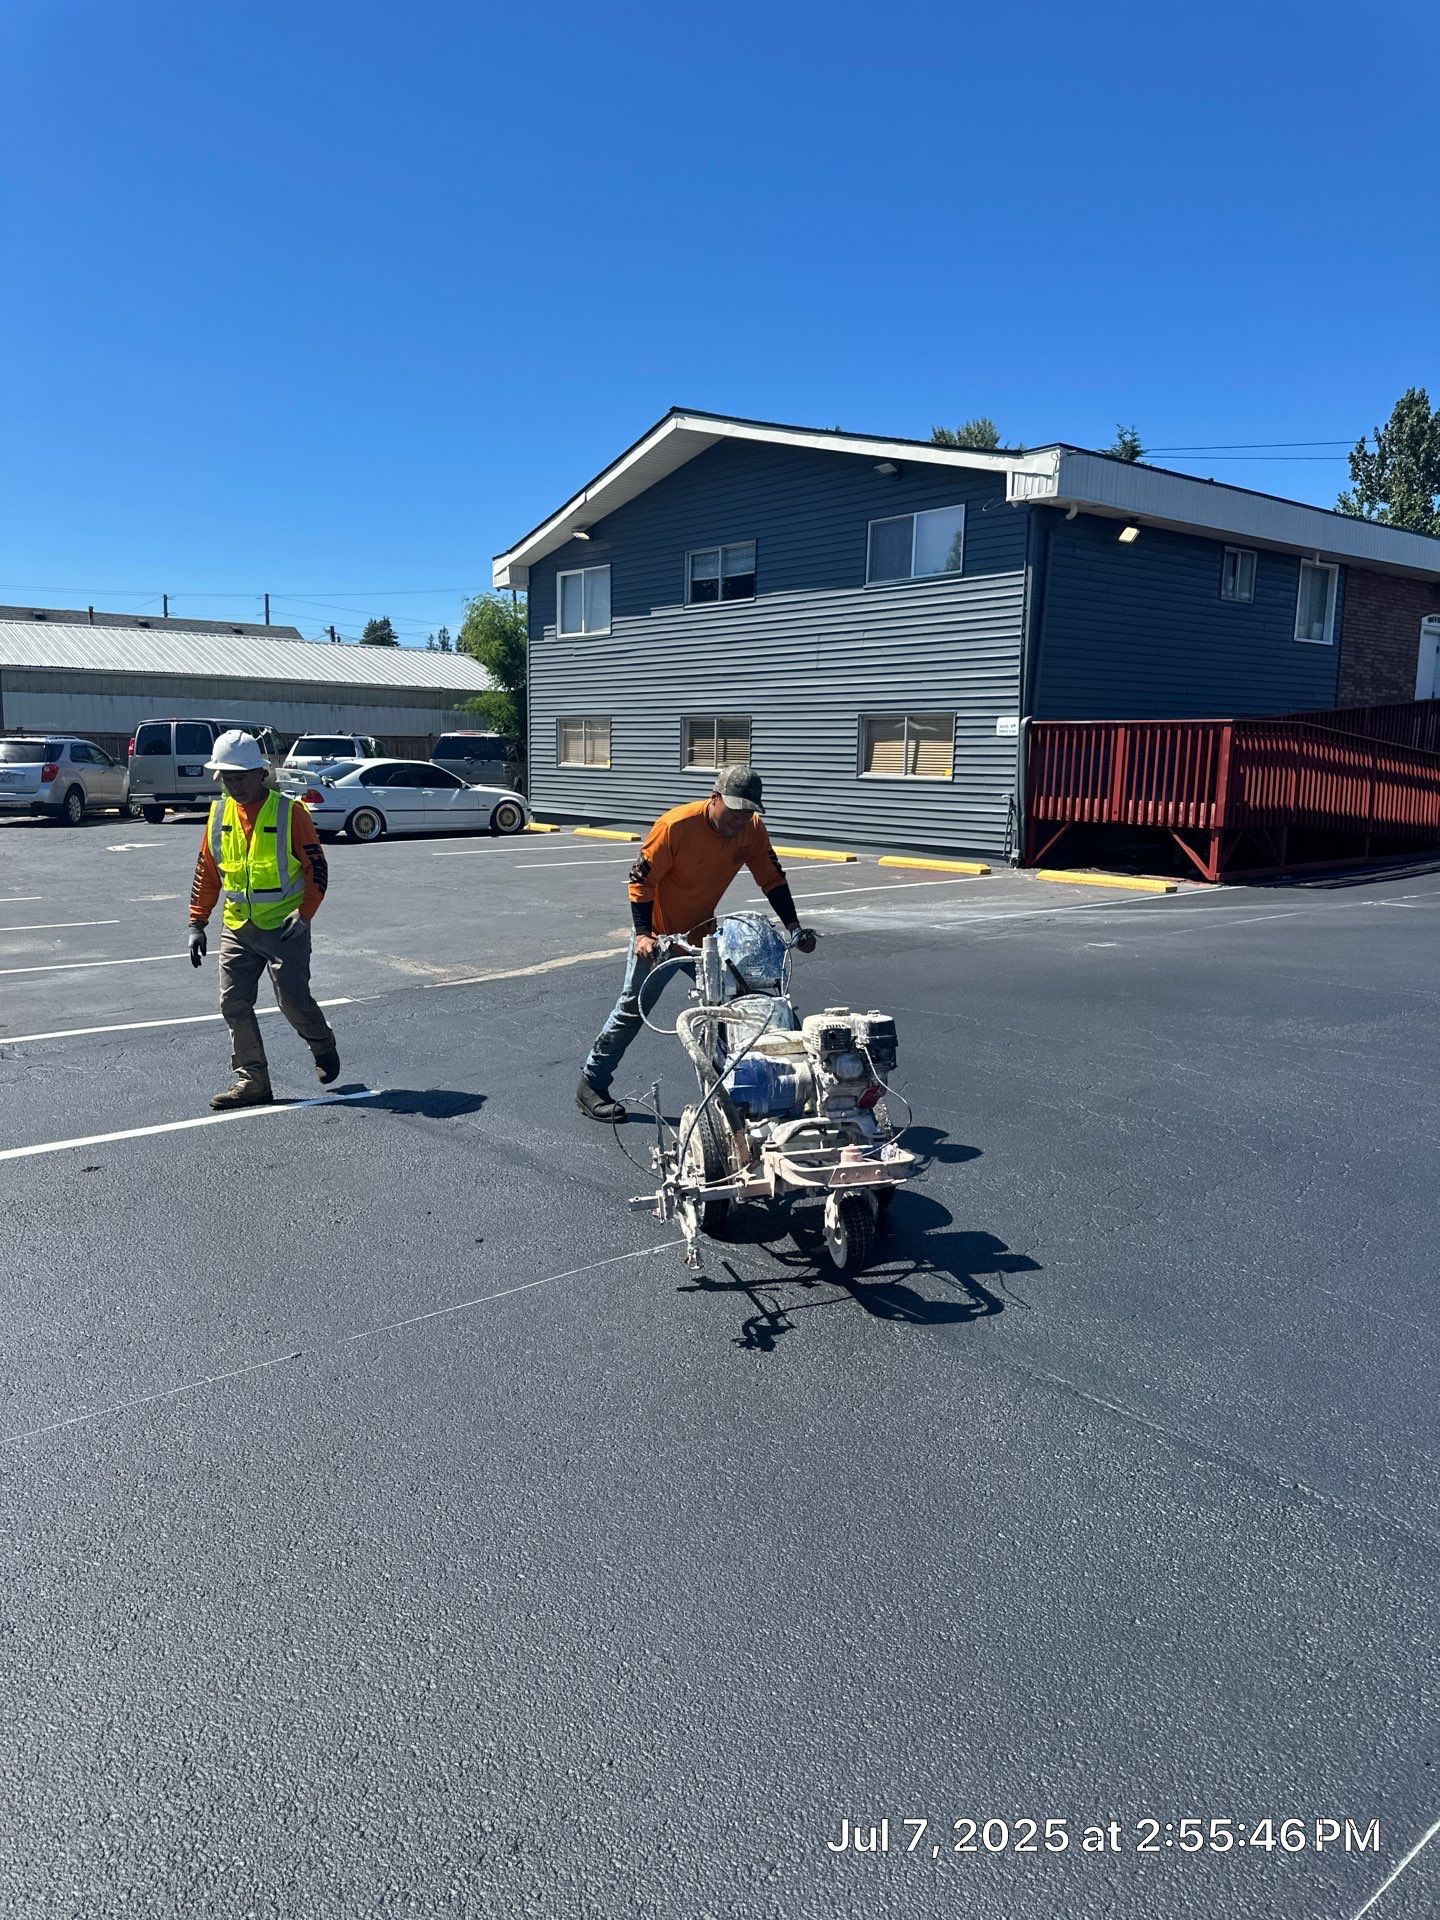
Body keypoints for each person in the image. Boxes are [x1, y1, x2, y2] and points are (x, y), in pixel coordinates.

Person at [576, 764, 815, 1122]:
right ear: (714, 797)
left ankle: (750, 1089)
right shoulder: (675, 827)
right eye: (734, 811)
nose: (739, 820)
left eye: (748, 812)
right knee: (632, 1008)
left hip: (703, 936)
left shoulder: (750, 831)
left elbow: (772, 879)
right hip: (659, 937)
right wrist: (644, 934)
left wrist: (794, 926)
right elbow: (640, 882)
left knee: (735, 1009)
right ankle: (591, 1084)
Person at [187, 729, 340, 1110]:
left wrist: (304, 916)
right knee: (233, 1004)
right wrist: (197, 922)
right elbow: (208, 870)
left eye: (241, 776)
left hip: (285, 927)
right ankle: (253, 1082)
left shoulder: (290, 813)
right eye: (227, 778)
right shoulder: (220, 813)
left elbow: (316, 869)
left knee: (292, 1000)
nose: (234, 785)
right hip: (238, 926)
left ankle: (322, 1043)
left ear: (260, 773)